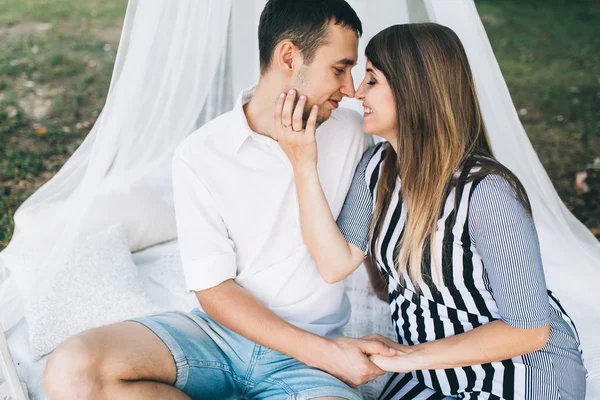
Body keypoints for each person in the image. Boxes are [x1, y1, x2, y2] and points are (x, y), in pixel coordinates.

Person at [41, 1, 400, 399]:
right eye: (339, 69)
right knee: (71, 372)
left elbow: (361, 219)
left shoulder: (351, 132)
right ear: (288, 56)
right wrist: (329, 355)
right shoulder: (201, 153)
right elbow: (213, 290)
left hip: (305, 364)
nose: (350, 89)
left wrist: (380, 280)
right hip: (218, 338)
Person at [276, 23, 587, 399]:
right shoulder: (376, 168)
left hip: (520, 370)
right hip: (429, 372)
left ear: (413, 90)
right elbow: (333, 264)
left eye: (372, 80)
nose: (357, 92)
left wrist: (408, 356)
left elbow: (530, 330)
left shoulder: (485, 191)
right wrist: (303, 163)